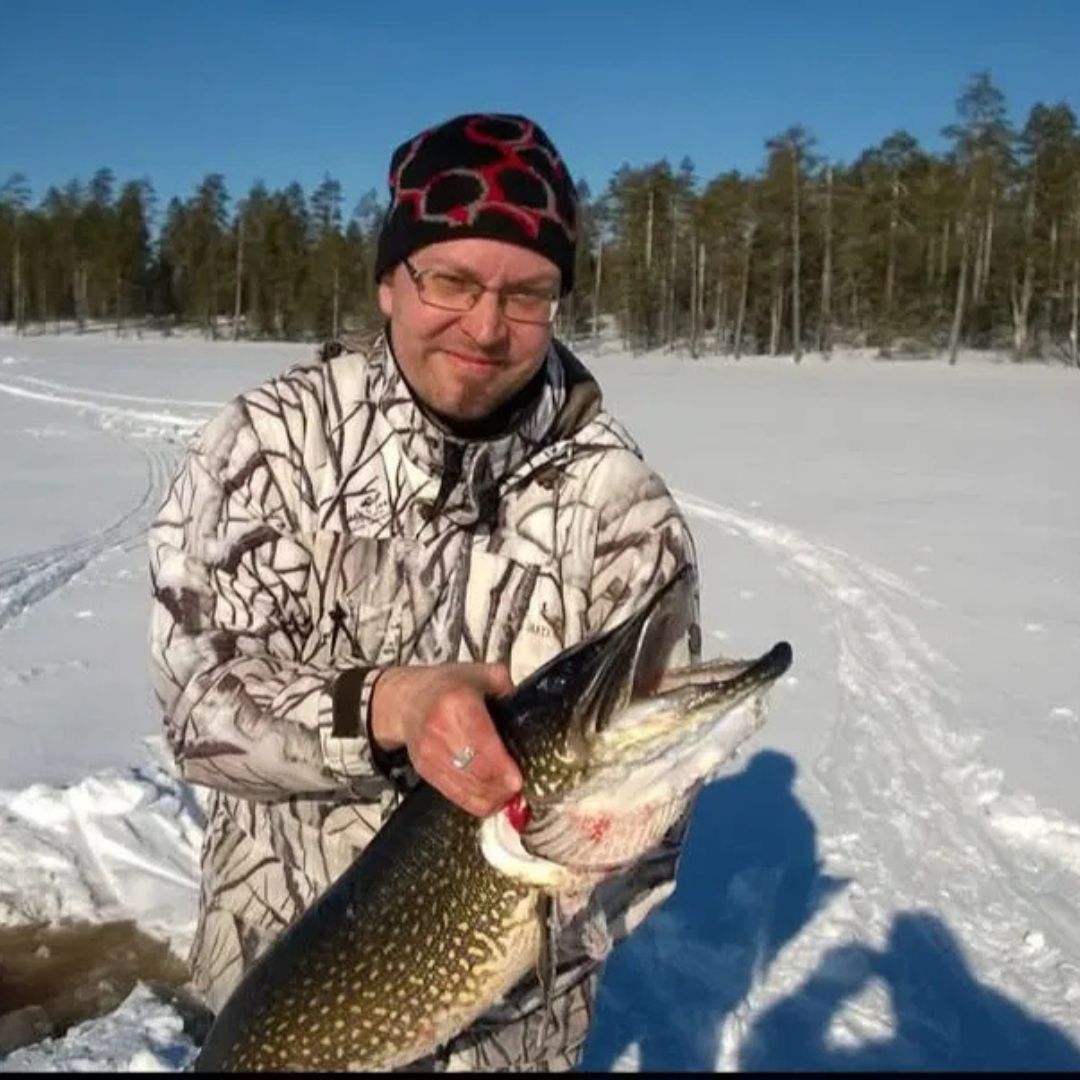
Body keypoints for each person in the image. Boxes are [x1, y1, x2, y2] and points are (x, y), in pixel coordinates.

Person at [148, 112, 700, 1071]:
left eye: (527, 293)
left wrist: (605, 845)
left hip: (510, 1035)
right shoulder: (270, 446)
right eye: (451, 279)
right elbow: (200, 706)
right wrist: (385, 704)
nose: (486, 327)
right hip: (276, 1006)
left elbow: (650, 820)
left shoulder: (623, 511)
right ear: (390, 280)